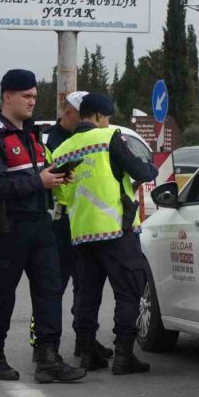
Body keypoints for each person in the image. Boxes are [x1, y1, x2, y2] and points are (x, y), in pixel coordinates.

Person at [0, 69, 86, 384]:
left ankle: (48, 359)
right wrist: (40, 181)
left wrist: (56, 176)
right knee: (1, 295)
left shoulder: (33, 134)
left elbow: (37, 174)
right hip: (8, 227)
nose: (32, 101)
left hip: (40, 225)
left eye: (34, 96)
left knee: (50, 292)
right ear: (7, 96)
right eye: (26, 96)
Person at [50, 93, 159, 375]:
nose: (108, 122)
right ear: (98, 116)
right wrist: (152, 167)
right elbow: (141, 170)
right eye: (107, 117)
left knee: (86, 294)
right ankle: (124, 356)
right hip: (116, 229)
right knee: (129, 291)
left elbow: (60, 193)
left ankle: (87, 353)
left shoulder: (62, 149)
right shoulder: (108, 137)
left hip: (81, 232)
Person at [29, 91, 114, 366]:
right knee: (52, 285)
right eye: (83, 114)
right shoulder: (48, 141)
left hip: (85, 219)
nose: (89, 120)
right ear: (68, 113)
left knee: (86, 285)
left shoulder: (91, 138)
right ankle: (42, 344)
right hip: (60, 221)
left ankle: (84, 341)